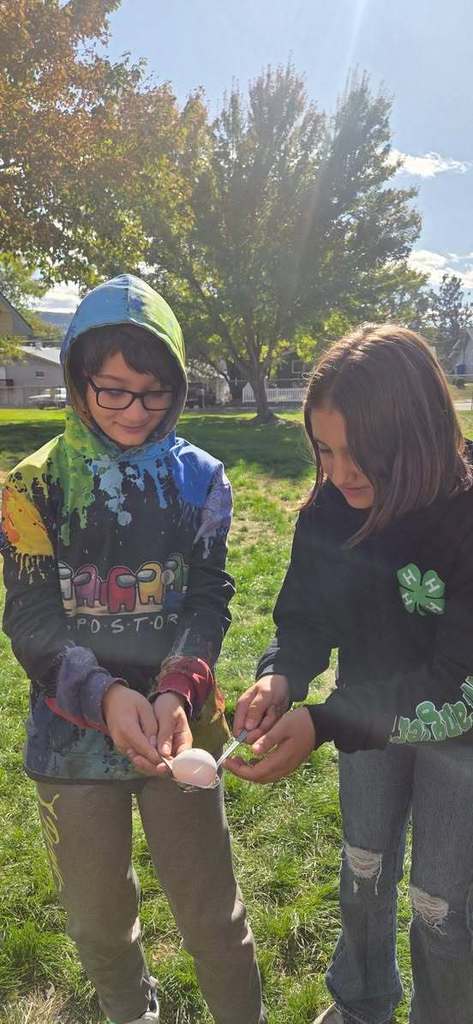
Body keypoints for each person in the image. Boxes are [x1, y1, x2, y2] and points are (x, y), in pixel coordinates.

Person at [1, 274, 265, 1024]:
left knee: (215, 917)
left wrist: (177, 688)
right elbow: (31, 618)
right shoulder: (31, 485)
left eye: (153, 393)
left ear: (176, 386)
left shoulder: (201, 479)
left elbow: (209, 596)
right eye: (113, 391)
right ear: (79, 377)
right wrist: (104, 694)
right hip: (69, 739)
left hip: (181, 728)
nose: (134, 411)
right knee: (98, 925)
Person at [226, 325, 473, 1024]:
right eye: (323, 449)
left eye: (361, 451)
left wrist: (323, 723)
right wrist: (281, 678)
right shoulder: (328, 509)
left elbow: (456, 683)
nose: (339, 472)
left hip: (460, 739)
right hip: (364, 724)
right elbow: (305, 617)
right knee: (362, 868)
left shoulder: (465, 515)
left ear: (418, 430)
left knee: (441, 906)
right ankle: (360, 1003)